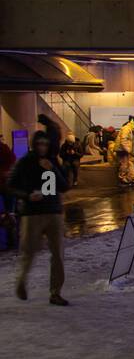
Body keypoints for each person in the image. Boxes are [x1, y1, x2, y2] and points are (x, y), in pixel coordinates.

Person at [9, 128, 70, 304]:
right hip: (32, 213)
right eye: (39, 144)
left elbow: (64, 185)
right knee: (28, 251)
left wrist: (53, 170)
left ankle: (55, 292)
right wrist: (27, 195)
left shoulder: (51, 161)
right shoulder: (25, 162)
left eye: (45, 144)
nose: (42, 147)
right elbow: (10, 185)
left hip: (53, 211)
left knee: (58, 253)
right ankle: (21, 280)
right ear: (34, 145)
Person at [116, 115, 134, 186]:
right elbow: (123, 140)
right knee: (124, 164)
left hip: (123, 149)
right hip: (122, 149)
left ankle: (127, 178)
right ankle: (122, 179)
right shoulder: (127, 128)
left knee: (126, 164)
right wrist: (128, 150)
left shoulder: (129, 128)